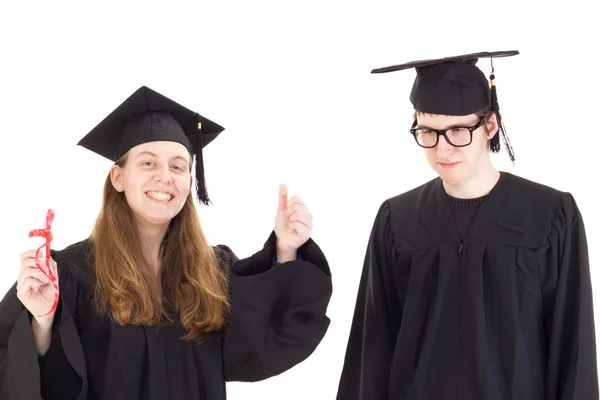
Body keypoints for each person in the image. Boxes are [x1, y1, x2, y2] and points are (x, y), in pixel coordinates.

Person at [0, 86, 333, 400]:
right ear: (118, 177)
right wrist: (42, 321)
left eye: (178, 166)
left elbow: (260, 346)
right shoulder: (71, 274)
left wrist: (286, 249)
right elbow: (40, 382)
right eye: (148, 163)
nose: (164, 176)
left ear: (190, 183)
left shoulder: (214, 272)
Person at [335, 51, 598, 399]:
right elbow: (372, 349)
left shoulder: (550, 215)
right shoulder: (397, 219)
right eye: (428, 131)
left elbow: (574, 347)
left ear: (490, 125)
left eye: (458, 130)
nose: (442, 148)